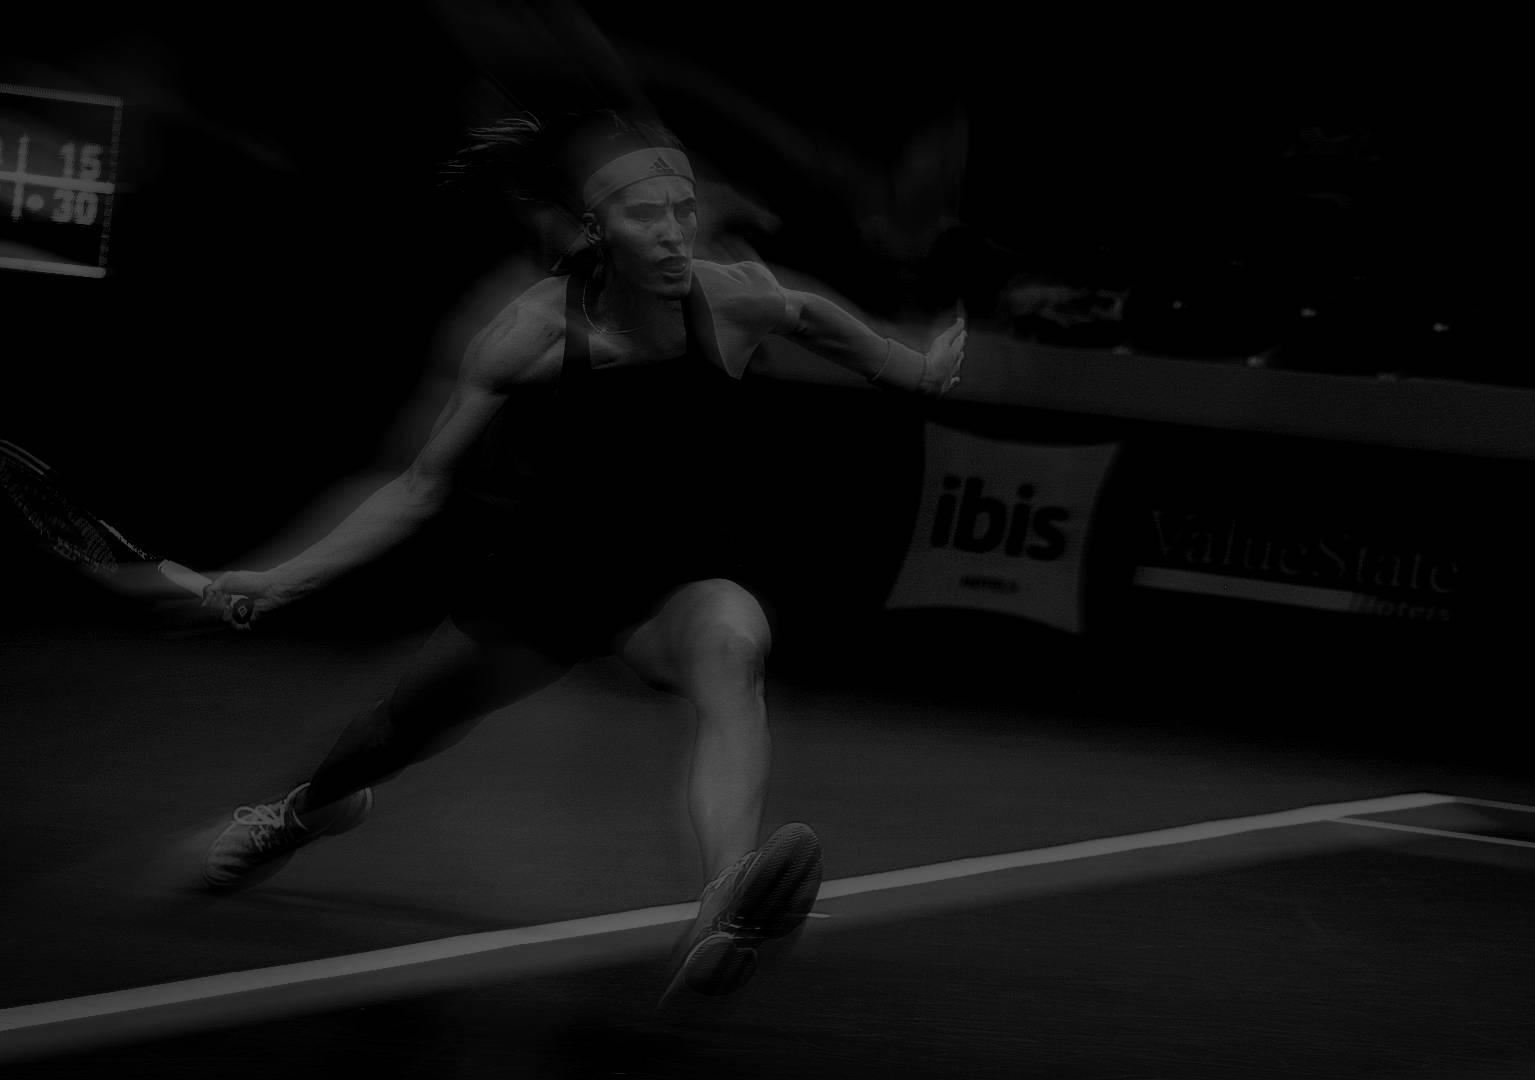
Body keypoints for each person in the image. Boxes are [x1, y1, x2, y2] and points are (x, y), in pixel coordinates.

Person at [195, 110, 965, 1001]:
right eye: (647, 214)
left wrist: (912, 368)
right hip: (541, 588)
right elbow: (417, 486)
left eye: (684, 209)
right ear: (599, 228)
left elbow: (812, 317)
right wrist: (283, 580)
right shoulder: (531, 333)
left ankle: (727, 899)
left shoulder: (731, 300)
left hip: (669, 585)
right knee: (389, 737)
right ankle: (301, 813)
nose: (675, 231)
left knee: (733, 651)